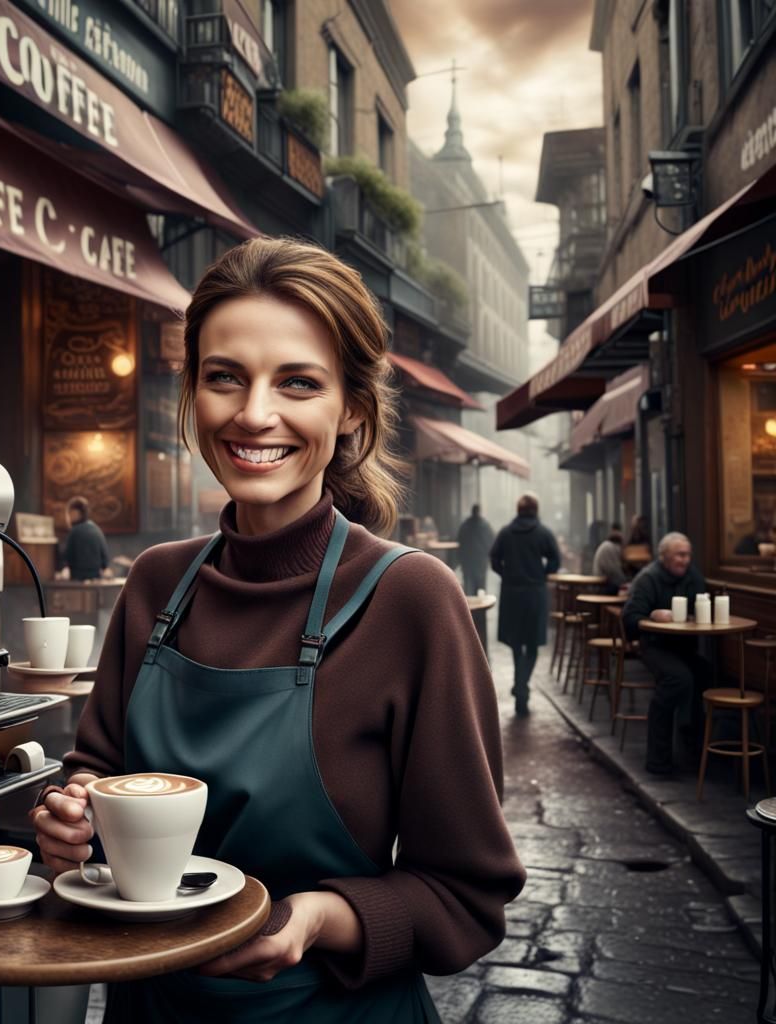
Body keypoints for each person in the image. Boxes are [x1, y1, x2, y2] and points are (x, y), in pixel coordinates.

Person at [31, 238, 524, 1022]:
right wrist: (73, 818)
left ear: (352, 409)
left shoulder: (411, 599)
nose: (255, 413)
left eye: (298, 382)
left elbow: (467, 898)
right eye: (224, 377)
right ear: (192, 393)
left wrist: (322, 920)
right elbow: (97, 770)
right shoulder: (157, 581)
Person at [622, 532, 710, 776]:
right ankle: (658, 759)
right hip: (655, 645)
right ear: (664, 557)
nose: (685, 560)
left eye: (688, 555)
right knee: (677, 679)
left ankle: (694, 746)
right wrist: (651, 615)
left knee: (704, 674)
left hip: (684, 646)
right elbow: (629, 617)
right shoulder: (648, 579)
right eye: (680, 555)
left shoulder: (692, 575)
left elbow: (699, 604)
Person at [490, 493, 561, 717]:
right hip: (534, 594)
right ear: (536, 510)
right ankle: (522, 686)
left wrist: (507, 574)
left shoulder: (506, 532)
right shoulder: (543, 533)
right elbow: (555, 559)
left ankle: (520, 685)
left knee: (516, 641)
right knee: (531, 643)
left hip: (512, 594)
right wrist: (542, 573)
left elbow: (494, 558)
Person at [63, 496, 110, 581]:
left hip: (78, 581)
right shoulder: (96, 529)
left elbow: (68, 558)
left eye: (69, 513)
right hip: (97, 580)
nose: (68, 517)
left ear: (75, 513)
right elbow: (105, 561)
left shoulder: (74, 532)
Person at [457, 503, 495, 594]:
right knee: (481, 587)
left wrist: (461, 559)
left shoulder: (465, 525)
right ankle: (482, 607)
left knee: (469, 587)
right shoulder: (485, 526)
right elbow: (491, 542)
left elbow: (460, 541)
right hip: (481, 561)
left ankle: (470, 607)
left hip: (468, 561)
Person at [592, 523, 628, 594]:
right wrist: (626, 581)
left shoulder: (607, 546)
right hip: (603, 585)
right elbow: (614, 572)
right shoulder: (610, 548)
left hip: (603, 583)